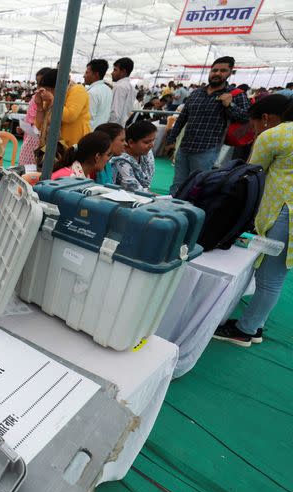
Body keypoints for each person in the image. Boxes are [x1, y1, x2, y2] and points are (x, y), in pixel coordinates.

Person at [213, 98, 293, 346]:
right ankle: (254, 325)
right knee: (275, 278)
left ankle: (245, 330)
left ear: (265, 118)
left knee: (267, 278)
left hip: (278, 215)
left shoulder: (276, 135)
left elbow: (252, 174)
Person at [165, 56, 250, 195]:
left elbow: (246, 119)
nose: (217, 73)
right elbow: (182, 118)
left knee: (197, 187)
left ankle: (191, 214)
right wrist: (170, 140)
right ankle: (172, 212)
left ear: (230, 72)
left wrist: (230, 105)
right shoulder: (197, 93)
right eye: (214, 70)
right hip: (185, 147)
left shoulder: (234, 95)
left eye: (223, 70)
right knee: (178, 184)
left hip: (207, 150)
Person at [34, 68, 91, 147]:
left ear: (57, 87)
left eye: (47, 89)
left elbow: (70, 116)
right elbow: (39, 125)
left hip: (73, 144)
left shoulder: (78, 90)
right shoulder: (51, 97)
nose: (44, 92)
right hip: (54, 145)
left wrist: (53, 101)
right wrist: (39, 105)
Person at [18, 67, 52, 167]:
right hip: (30, 136)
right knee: (25, 165)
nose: (38, 87)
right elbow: (30, 117)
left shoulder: (48, 101)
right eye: (37, 83)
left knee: (32, 166)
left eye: (41, 84)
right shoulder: (36, 98)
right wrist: (24, 127)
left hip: (38, 138)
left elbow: (39, 122)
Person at [110, 120, 157, 192]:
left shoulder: (146, 152)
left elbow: (147, 181)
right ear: (131, 142)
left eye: (153, 140)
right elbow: (133, 188)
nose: (151, 145)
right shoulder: (121, 159)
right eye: (146, 142)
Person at [85, 59, 113, 130]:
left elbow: (88, 119)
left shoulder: (92, 92)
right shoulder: (108, 90)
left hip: (91, 133)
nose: (84, 76)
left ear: (96, 74)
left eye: (87, 73)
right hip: (101, 131)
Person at [109, 58, 138, 126]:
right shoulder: (131, 88)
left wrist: (110, 128)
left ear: (123, 72)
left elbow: (115, 112)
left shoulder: (119, 86)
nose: (112, 73)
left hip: (113, 127)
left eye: (115, 70)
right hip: (121, 125)